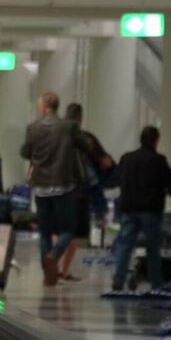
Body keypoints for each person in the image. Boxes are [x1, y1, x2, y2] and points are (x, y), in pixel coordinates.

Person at [21, 91, 93, 287]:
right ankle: (54, 255)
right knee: (68, 229)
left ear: (44, 107)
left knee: (45, 232)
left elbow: (25, 152)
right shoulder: (68, 127)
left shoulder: (33, 127)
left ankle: (48, 274)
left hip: (41, 186)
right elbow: (87, 145)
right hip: (64, 185)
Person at [111, 126, 171, 291]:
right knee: (152, 247)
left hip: (129, 209)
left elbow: (117, 178)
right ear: (156, 140)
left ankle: (119, 279)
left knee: (125, 245)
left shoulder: (127, 158)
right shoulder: (159, 160)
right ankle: (156, 281)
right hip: (150, 210)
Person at [59, 103, 114, 282]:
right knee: (73, 234)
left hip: (55, 190)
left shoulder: (56, 138)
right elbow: (105, 162)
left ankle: (54, 267)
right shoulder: (86, 138)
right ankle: (64, 270)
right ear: (80, 119)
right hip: (80, 191)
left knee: (57, 230)